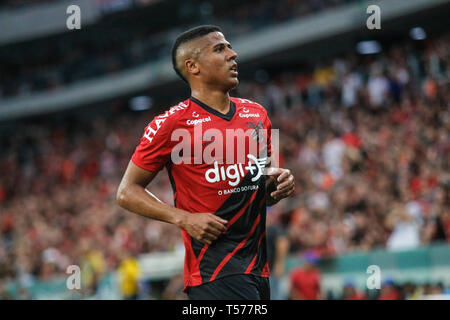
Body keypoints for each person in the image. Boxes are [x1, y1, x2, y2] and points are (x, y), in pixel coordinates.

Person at [116, 25, 295, 300]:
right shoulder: (171, 123)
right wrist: (184, 218)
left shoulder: (257, 114)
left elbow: (262, 192)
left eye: (230, 47)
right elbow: (126, 191)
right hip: (213, 271)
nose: (233, 55)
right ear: (193, 67)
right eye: (220, 49)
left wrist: (276, 186)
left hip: (258, 270)